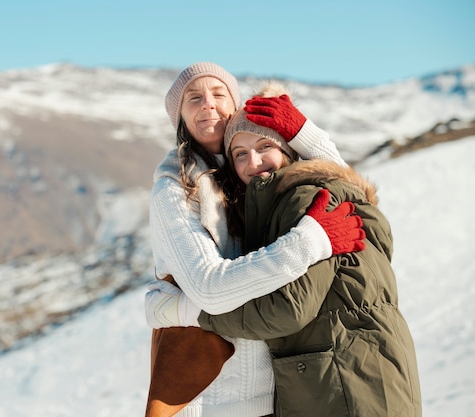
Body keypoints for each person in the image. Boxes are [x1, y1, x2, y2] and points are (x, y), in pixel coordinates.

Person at [146, 81, 422, 417]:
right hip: (347, 376)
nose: (254, 162)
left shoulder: (308, 199)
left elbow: (287, 309)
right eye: (240, 154)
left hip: (346, 380)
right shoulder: (263, 197)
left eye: (265, 146)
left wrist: (181, 312)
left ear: (289, 150)